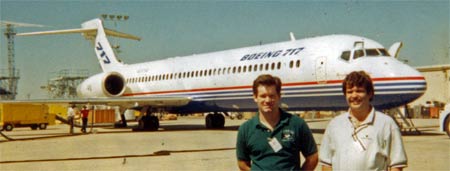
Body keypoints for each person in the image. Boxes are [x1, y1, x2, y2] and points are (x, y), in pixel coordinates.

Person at [319, 71, 407, 171]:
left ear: (370, 93)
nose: (354, 95)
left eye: (359, 91)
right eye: (350, 92)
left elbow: (396, 165)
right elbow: (326, 164)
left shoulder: (387, 124)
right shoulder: (334, 125)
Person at [236, 74, 318, 171]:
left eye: (272, 96)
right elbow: (242, 163)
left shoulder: (297, 124)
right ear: (255, 97)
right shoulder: (245, 129)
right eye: (263, 96)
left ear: (279, 96)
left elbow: (313, 157)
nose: (267, 100)